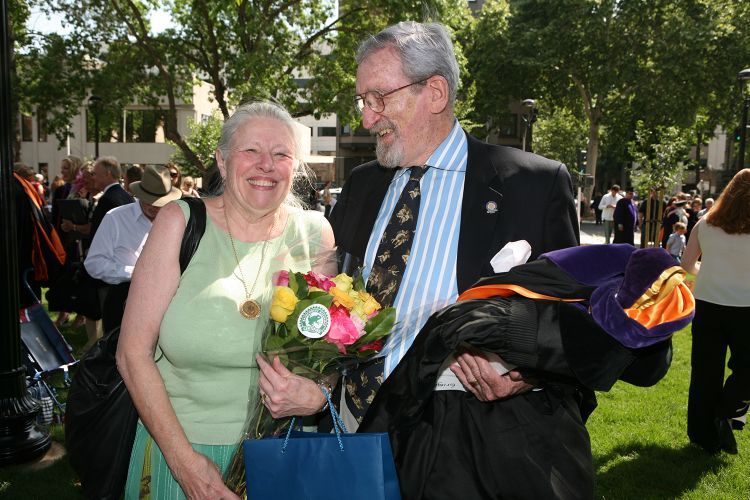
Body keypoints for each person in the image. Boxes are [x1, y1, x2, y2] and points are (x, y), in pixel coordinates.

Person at [329, 21, 588, 499]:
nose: (368, 118)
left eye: (379, 98)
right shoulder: (363, 185)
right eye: (362, 101)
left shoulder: (532, 184)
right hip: (355, 428)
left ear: (435, 91)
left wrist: (525, 372)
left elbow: (572, 317)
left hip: (470, 438)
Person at [117, 101, 336, 498]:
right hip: (180, 452)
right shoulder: (180, 223)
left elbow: (331, 350)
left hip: (282, 454)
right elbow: (132, 354)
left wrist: (320, 392)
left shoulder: (314, 234)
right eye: (251, 150)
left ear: (295, 166)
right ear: (222, 160)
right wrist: (185, 465)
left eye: (281, 154)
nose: (266, 164)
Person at [681, 168, 750, 455]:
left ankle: (704, 434)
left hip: (707, 305)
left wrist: (707, 273)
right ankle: (725, 412)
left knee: (704, 373)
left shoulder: (704, 223)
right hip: (745, 309)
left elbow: (686, 266)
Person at [85, 165, 183, 334]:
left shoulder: (177, 220)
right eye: (149, 201)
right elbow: (94, 263)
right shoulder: (115, 218)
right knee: (121, 355)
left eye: (159, 203)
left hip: (167, 301)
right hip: (124, 298)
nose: (153, 207)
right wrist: (135, 272)